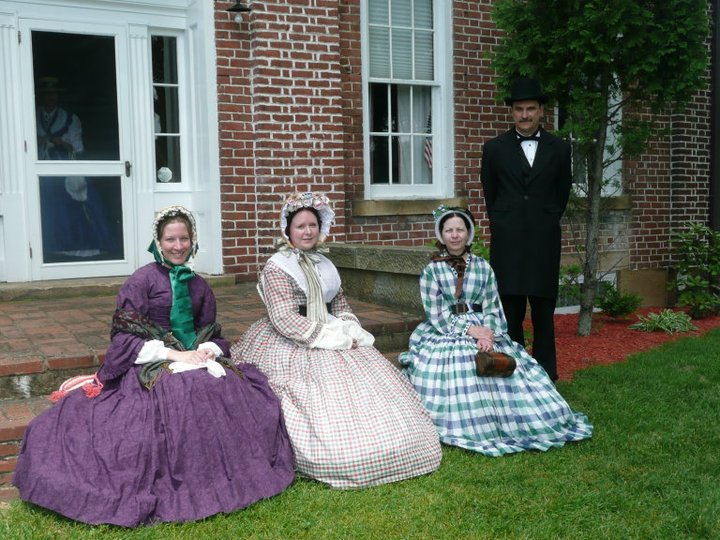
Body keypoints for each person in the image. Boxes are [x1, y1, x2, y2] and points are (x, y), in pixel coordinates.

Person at [13, 206, 295, 527]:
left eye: (184, 238)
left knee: (226, 389)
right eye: (170, 239)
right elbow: (124, 337)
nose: (178, 246)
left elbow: (211, 331)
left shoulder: (198, 285)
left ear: (193, 240)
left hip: (194, 361)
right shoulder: (142, 281)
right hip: (152, 365)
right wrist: (175, 356)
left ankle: (213, 476)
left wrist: (205, 350)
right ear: (158, 242)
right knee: (175, 397)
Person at [230, 192, 442, 489]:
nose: (307, 231)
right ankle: (333, 453)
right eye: (300, 226)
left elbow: (340, 303)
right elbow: (284, 318)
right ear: (288, 231)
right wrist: (329, 337)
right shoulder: (278, 266)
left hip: (333, 332)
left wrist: (350, 329)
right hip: (295, 339)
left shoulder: (325, 263)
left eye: (312, 225)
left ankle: (395, 443)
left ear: (320, 228)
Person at [399, 205, 592, 455]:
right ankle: (471, 424)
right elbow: (436, 312)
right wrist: (471, 330)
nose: (455, 235)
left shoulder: (483, 267)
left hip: (485, 329)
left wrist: (489, 333)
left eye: (460, 229)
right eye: (449, 230)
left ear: (469, 234)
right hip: (448, 329)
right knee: (461, 369)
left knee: (506, 366)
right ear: (441, 235)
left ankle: (519, 423)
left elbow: (492, 304)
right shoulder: (432, 270)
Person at [480, 77, 573, 381]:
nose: (524, 115)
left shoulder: (559, 149)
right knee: (511, 311)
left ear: (541, 110)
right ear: (512, 112)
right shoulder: (494, 149)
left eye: (530, 108)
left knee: (544, 312)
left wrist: (541, 220)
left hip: (544, 240)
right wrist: (506, 222)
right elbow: (490, 194)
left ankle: (546, 374)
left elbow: (561, 195)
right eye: (519, 109)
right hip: (507, 242)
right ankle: (515, 373)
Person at [35, 76, 116, 261]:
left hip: (63, 167)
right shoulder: (31, 116)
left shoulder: (70, 119)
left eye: (53, 94)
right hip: (39, 165)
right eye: (47, 94)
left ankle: (78, 246)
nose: (50, 98)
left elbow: (77, 148)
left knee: (74, 201)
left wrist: (60, 142)